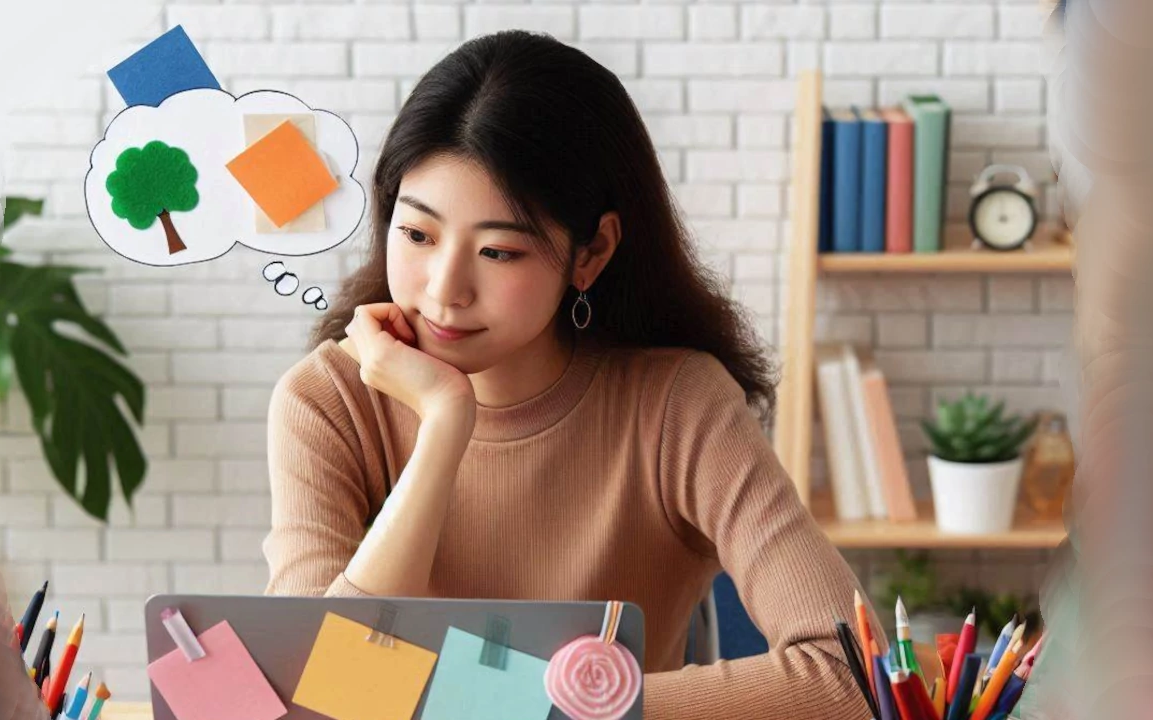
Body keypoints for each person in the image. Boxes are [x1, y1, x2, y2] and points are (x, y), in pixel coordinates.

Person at [264, 29, 885, 720]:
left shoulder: (679, 405)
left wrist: (537, 708)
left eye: (498, 251)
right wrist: (444, 424)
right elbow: (316, 695)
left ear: (591, 253)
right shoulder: (327, 402)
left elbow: (850, 677)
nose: (444, 291)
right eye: (417, 235)